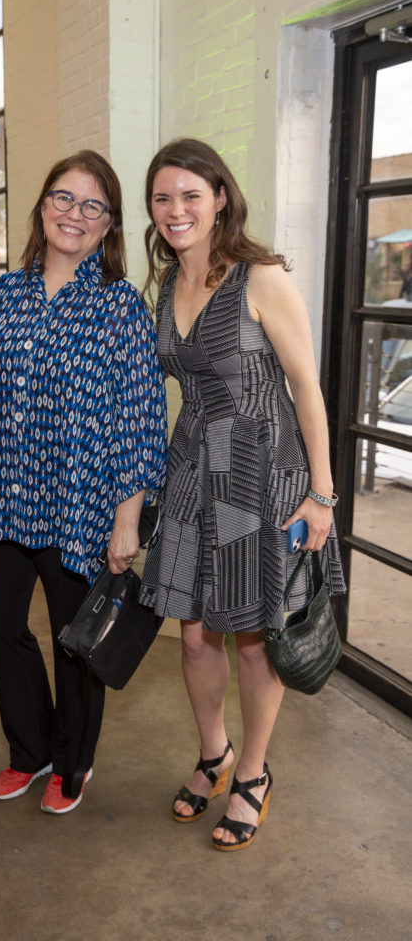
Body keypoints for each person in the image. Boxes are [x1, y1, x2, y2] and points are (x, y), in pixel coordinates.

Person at [139, 139, 345, 851]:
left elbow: (306, 387)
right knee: (194, 634)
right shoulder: (165, 286)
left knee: (254, 638)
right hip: (194, 468)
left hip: (259, 475)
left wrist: (321, 495)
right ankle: (213, 754)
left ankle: (252, 775)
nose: (176, 210)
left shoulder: (261, 278)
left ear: (220, 197)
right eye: (162, 198)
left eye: (190, 195)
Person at [0, 150, 168, 814]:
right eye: (63, 198)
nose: (74, 214)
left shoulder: (120, 309)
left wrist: (125, 519)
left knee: (75, 643)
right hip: (1, 496)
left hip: (79, 505)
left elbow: (140, 422)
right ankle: (28, 752)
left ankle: (71, 762)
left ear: (109, 226)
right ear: (40, 207)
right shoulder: (2, 295)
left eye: (92, 205)